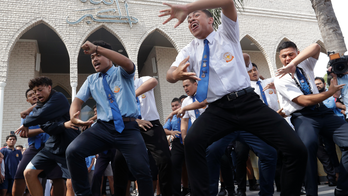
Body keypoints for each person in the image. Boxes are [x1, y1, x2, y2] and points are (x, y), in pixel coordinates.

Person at [160, 1, 307, 195]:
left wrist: (187, 7)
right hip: (218, 110)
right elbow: (169, 73)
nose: (191, 20)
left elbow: (228, 2)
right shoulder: (188, 50)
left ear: (211, 20)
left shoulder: (227, 34)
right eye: (188, 19)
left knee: (297, 150)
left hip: (248, 103)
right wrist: (176, 75)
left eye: (196, 15)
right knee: (193, 142)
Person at [66, 40, 153, 196]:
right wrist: (74, 118)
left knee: (142, 170)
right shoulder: (92, 80)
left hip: (128, 129)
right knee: (73, 151)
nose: (94, 59)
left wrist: (97, 47)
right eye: (92, 57)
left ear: (109, 56)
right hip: (103, 128)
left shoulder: (122, 73)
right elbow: (77, 101)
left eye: (98, 55)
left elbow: (128, 62)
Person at [274, 41, 348, 196]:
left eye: (291, 54)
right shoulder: (280, 78)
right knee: (307, 149)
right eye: (284, 56)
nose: (287, 59)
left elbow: (316, 47)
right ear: (279, 58)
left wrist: (294, 63)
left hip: (323, 112)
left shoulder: (305, 66)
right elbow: (304, 101)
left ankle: (342, 188)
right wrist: (329, 93)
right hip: (304, 117)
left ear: (298, 53)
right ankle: (311, 193)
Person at [15, 76, 79, 196]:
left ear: (49, 88)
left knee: (70, 183)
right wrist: (63, 125)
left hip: (68, 144)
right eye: (35, 92)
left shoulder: (59, 97)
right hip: (51, 146)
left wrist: (26, 123)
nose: (37, 94)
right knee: (28, 173)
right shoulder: (39, 104)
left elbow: (42, 115)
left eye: (40, 90)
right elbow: (46, 126)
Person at [13, 89, 65, 196]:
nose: (33, 95)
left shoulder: (50, 108)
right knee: (19, 175)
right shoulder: (26, 115)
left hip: (53, 147)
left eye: (35, 93)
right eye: (30, 95)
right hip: (34, 148)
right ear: (27, 100)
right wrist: (44, 129)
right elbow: (24, 133)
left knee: (58, 178)